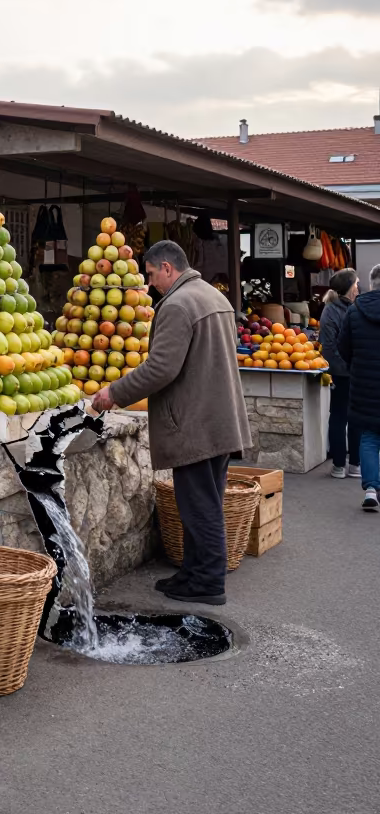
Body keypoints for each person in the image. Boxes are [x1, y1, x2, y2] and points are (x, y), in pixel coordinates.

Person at [92, 239, 251, 605]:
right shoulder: (213, 296)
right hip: (220, 419)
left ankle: (208, 582)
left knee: (199, 505)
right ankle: (194, 573)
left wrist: (114, 393)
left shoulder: (178, 305)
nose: (149, 284)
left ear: (167, 268)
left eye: (151, 275)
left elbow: (162, 367)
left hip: (195, 422)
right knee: (204, 500)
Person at [337, 263, 380, 512]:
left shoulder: (354, 311)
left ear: (370, 283)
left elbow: (343, 346)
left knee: (370, 436)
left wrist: (357, 365)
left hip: (364, 384)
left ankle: (371, 490)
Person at [319, 268, 361, 478]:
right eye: (356, 283)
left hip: (352, 371)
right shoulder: (332, 310)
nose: (358, 287)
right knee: (340, 416)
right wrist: (347, 369)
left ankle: (354, 464)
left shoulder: (349, 307)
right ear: (348, 288)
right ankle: (339, 464)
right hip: (343, 373)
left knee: (352, 418)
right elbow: (329, 347)